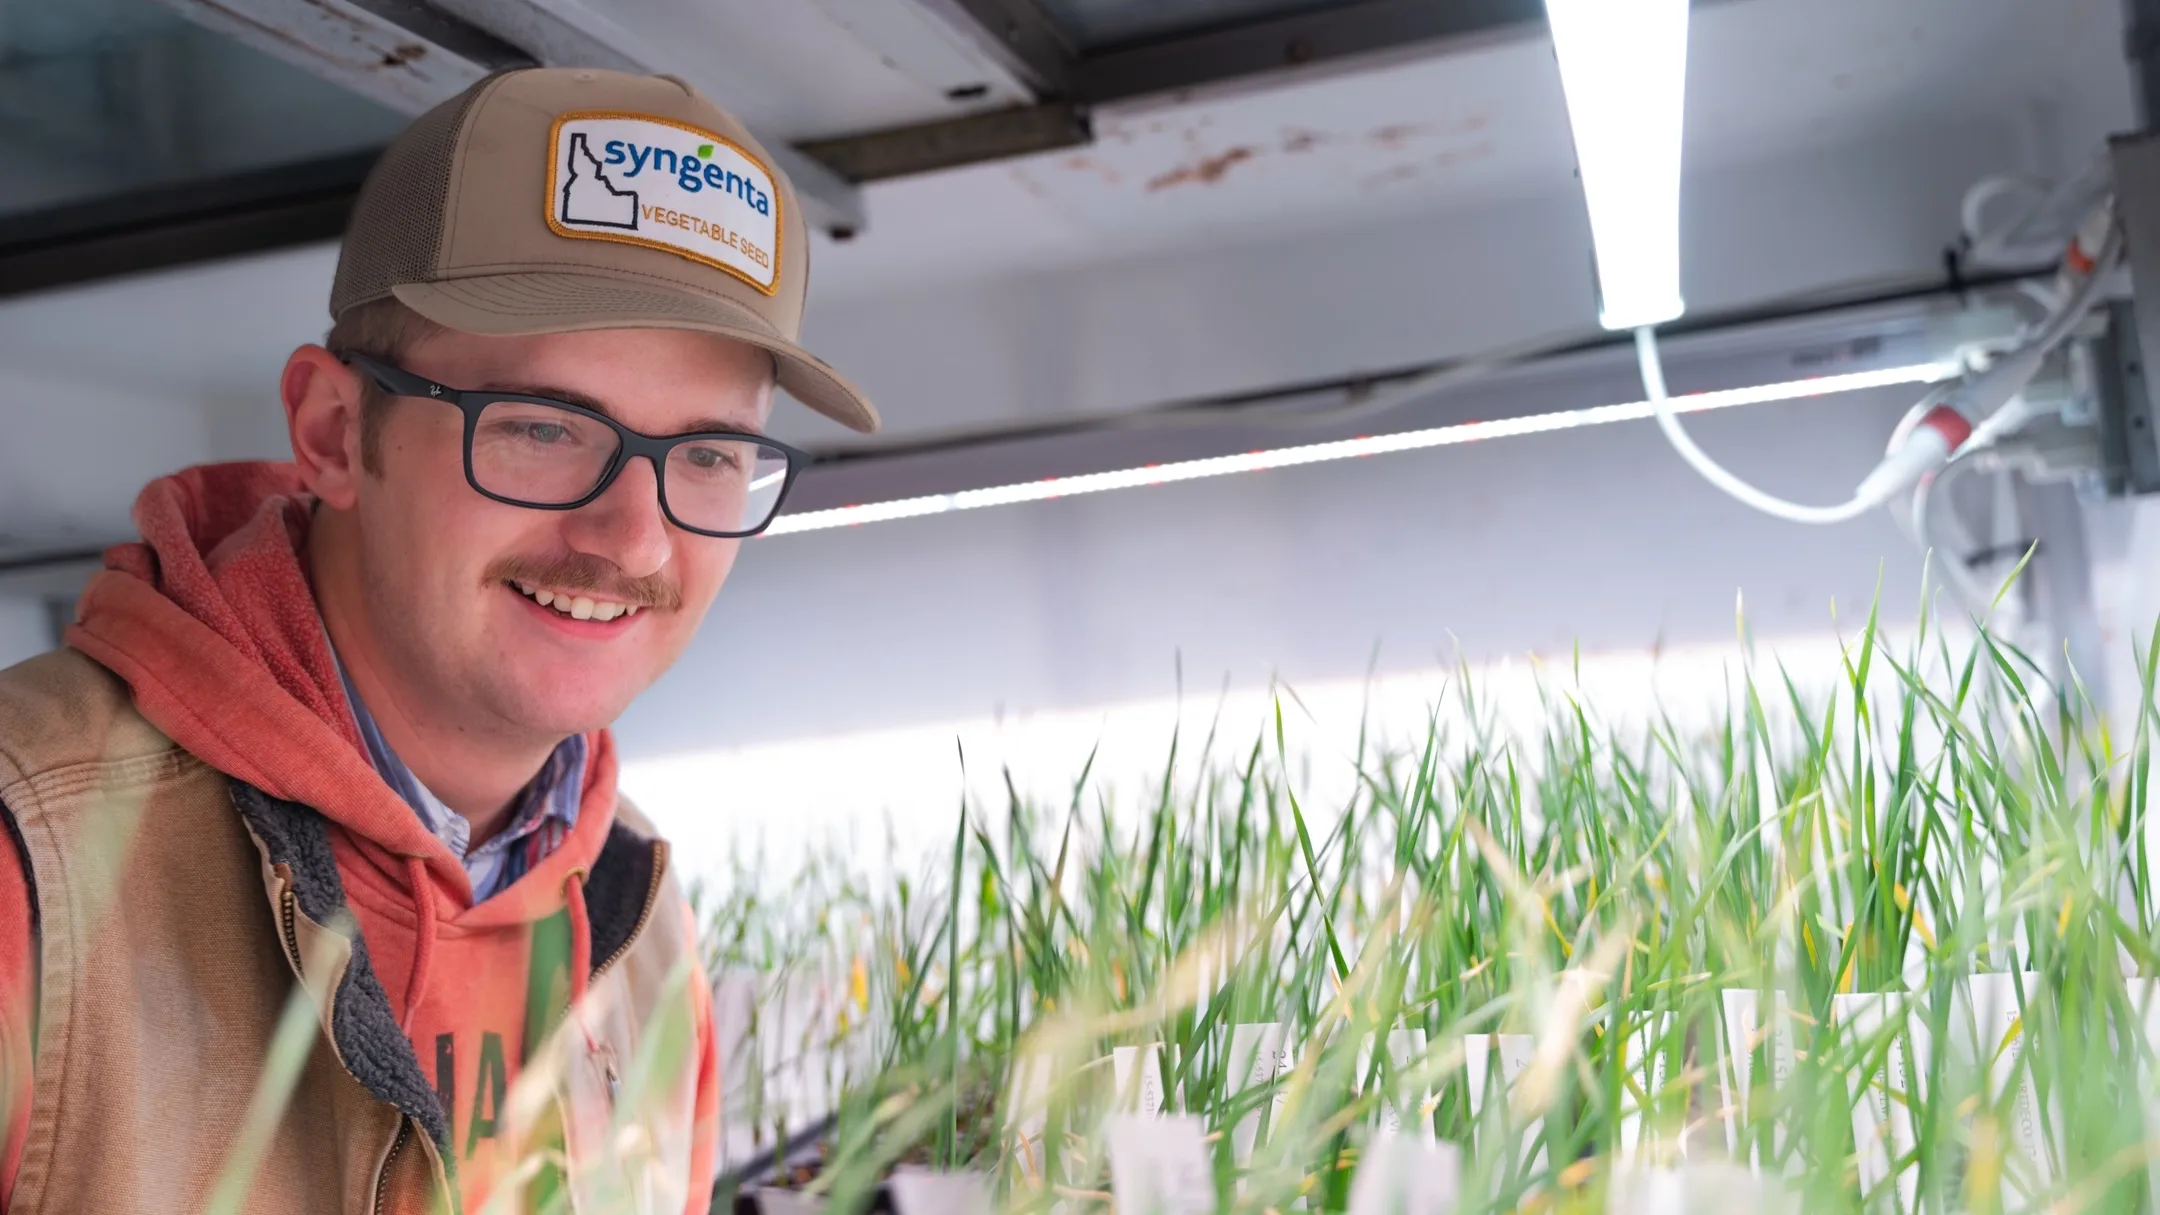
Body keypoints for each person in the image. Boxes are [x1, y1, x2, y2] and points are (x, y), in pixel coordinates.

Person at [0, 66, 877, 1214]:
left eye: (709, 454)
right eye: (544, 428)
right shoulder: (30, 863)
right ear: (330, 430)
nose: (635, 539)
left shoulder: (638, 928)